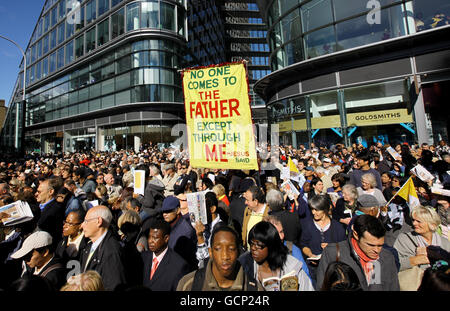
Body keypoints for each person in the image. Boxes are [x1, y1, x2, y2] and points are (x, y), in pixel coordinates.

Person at [317, 214, 400, 291]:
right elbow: (321, 287)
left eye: (380, 245)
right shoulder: (333, 253)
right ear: (356, 235)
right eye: (371, 245)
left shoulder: (387, 257)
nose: (377, 250)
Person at [177, 224, 262, 291]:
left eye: (231, 249)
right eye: (218, 249)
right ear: (210, 252)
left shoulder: (254, 288)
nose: (225, 256)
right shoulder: (189, 284)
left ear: (238, 252)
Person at [239, 221, 314, 291]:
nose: (253, 248)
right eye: (251, 244)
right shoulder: (245, 264)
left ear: (271, 245)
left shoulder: (292, 267)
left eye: (259, 245)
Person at [79, 205, 127, 291]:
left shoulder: (111, 250)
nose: (82, 225)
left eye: (86, 221)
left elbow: (113, 286)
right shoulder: (89, 245)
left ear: (99, 221)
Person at [300, 195, 347, 282]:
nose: (314, 212)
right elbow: (303, 244)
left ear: (325, 209)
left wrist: (331, 247)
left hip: (333, 270)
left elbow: (344, 248)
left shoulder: (337, 227)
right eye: (312, 209)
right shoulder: (307, 225)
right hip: (314, 270)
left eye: (317, 210)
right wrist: (310, 255)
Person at [393, 206, 450, 273]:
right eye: (413, 220)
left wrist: (433, 255)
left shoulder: (444, 242)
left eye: (418, 221)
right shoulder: (404, 239)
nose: (414, 223)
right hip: (413, 281)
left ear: (432, 224)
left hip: (437, 281)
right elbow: (393, 263)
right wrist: (417, 259)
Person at [141, 220, 190, 291]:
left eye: (155, 238)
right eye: (149, 237)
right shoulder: (143, 258)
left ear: (166, 238)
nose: (150, 241)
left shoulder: (179, 266)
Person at [264, 214, 311, 281]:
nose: (281, 236)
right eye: (277, 233)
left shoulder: (292, 249)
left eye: (282, 232)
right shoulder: (259, 253)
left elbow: (306, 277)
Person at [161, 196, 198, 271]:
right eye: (163, 211)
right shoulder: (168, 226)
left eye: (168, 211)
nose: (164, 214)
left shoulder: (185, 232)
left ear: (178, 210)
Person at [194, 192, 224, 268]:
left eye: (202, 209)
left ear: (212, 209)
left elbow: (208, 261)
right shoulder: (205, 225)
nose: (199, 213)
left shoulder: (220, 230)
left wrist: (200, 237)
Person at [35, 178, 65, 245]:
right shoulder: (38, 206)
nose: (36, 194)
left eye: (39, 192)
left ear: (51, 192)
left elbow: (40, 226)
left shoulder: (55, 209)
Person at [241, 185, 270, 250]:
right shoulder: (247, 210)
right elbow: (244, 229)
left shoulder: (268, 213)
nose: (245, 202)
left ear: (256, 201)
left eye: (247, 200)